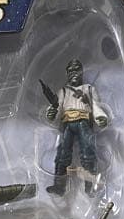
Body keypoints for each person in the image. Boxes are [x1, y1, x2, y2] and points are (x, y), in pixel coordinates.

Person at [44, 59, 108, 196]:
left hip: (84, 123)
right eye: (71, 70)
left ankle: (91, 186)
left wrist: (100, 117)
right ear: (67, 73)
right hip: (67, 124)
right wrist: (51, 113)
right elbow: (57, 107)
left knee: (88, 154)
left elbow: (95, 106)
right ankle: (59, 186)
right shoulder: (63, 91)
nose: (74, 73)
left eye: (77, 70)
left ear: (81, 72)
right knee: (62, 154)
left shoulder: (89, 89)